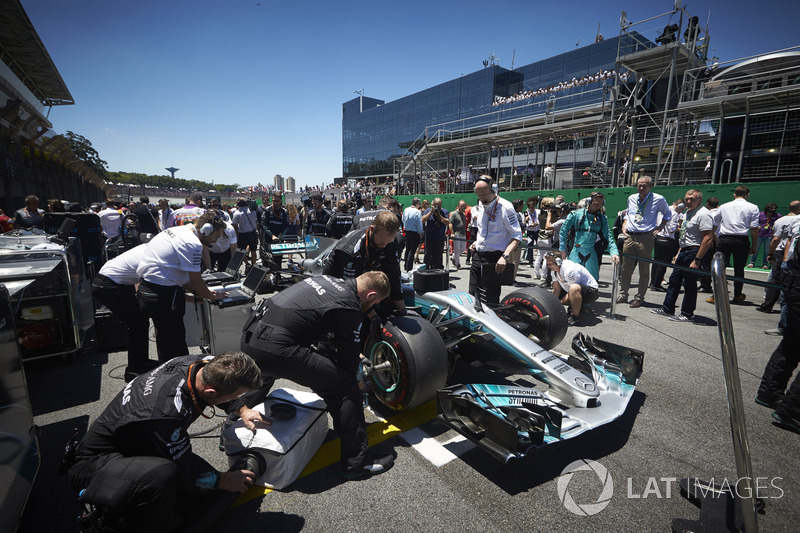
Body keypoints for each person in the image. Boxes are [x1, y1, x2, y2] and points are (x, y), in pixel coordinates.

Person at [69, 352, 263, 532]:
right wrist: (224, 480)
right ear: (210, 392)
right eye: (235, 396)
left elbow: (222, 385)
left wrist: (242, 409)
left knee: (191, 490)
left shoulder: (202, 364)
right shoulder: (165, 412)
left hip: (138, 440)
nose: (236, 399)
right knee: (163, 474)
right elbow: (184, 465)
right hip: (94, 466)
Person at [238, 272, 394, 478]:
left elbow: (317, 324)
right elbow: (348, 361)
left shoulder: (326, 279)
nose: (372, 308)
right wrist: (358, 379)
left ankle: (233, 423)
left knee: (264, 373)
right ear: (371, 294)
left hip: (251, 338)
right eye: (376, 302)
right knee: (344, 388)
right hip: (275, 348)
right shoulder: (350, 306)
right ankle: (357, 463)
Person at [136, 212, 228, 362]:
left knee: (172, 337)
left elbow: (185, 280)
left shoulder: (177, 230)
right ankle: (173, 376)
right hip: (164, 294)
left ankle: (181, 370)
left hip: (152, 289)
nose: (215, 241)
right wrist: (212, 296)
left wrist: (200, 293)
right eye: (216, 236)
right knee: (172, 341)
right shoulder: (192, 243)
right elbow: (196, 282)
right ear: (207, 230)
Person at [92, 244, 158, 381]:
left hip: (114, 282)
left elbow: (136, 278)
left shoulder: (148, 248)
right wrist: (141, 301)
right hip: (108, 285)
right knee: (138, 323)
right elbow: (143, 281)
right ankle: (133, 370)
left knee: (141, 322)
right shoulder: (151, 253)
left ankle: (141, 361)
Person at [323, 211, 405, 317]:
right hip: (336, 284)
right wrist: (374, 317)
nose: (384, 246)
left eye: (387, 242)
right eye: (381, 243)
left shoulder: (389, 242)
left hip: (361, 272)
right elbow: (353, 291)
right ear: (372, 229)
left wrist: (403, 311)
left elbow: (394, 276)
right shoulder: (351, 249)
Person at [756, 237, 800, 433]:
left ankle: (770, 393)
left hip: (794, 281)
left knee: (792, 342)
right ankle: (791, 410)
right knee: (792, 341)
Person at [650, 190, 714, 322]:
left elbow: (708, 238)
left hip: (694, 252)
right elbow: (685, 234)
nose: (688, 201)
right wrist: (679, 252)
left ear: (699, 200)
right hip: (684, 251)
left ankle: (687, 313)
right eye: (687, 199)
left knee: (689, 283)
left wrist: (697, 259)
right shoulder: (687, 212)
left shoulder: (703, 214)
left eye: (692, 199)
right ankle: (668, 308)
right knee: (674, 280)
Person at [617, 176, 671, 308]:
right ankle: (623, 294)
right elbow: (628, 213)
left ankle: (639, 297)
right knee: (625, 269)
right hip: (630, 236)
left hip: (646, 237)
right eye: (639, 185)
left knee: (644, 270)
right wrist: (624, 224)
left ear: (650, 186)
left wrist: (660, 227)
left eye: (644, 186)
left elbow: (667, 214)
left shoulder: (658, 199)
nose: (641, 188)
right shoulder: (632, 198)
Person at [469, 176, 522, 304]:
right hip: (478, 255)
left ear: (493, 190)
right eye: (479, 194)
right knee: (472, 294)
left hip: (495, 258)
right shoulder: (480, 206)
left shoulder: (505, 207)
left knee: (490, 298)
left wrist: (505, 256)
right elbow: (483, 231)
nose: (481, 198)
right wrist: (477, 242)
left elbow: (517, 236)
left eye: (484, 194)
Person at [707, 186, 759, 304]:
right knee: (739, 269)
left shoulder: (724, 206)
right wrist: (754, 246)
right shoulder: (753, 207)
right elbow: (754, 229)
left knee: (720, 268)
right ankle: (737, 295)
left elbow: (714, 225)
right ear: (747, 195)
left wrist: (711, 239)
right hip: (741, 240)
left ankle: (716, 295)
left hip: (724, 239)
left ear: (734, 194)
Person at [559, 191, 620, 282]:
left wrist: (614, 252)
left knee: (592, 280)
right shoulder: (575, 215)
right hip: (576, 251)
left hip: (591, 252)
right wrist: (562, 249)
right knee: (572, 279)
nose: (598, 206)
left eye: (600, 203)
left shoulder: (601, 219)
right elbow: (563, 231)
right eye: (596, 203)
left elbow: (607, 236)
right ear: (589, 201)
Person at [757, 200, 800, 314]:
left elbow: (775, 239)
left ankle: (767, 305)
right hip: (793, 253)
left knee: (775, 279)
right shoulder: (797, 220)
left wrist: (770, 254)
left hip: (781, 252)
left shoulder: (780, 220)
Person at [544, 252, 599, 327]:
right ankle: (581, 308)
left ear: (558, 262)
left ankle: (575, 316)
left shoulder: (570, 270)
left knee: (574, 288)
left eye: (550, 264)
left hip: (591, 292)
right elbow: (556, 289)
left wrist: (559, 303)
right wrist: (549, 305)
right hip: (574, 291)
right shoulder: (554, 271)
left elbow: (572, 290)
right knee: (551, 297)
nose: (549, 266)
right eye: (547, 264)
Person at [650, 199, 685, 291]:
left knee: (656, 262)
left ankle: (653, 282)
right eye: (682, 209)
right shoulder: (674, 214)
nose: (682, 211)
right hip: (666, 239)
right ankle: (657, 284)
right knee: (663, 263)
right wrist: (680, 229)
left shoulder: (663, 211)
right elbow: (671, 229)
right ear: (680, 206)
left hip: (658, 237)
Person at [749, 203, 781, 269]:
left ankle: (765, 264)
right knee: (756, 249)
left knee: (767, 250)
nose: (773, 209)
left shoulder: (777, 216)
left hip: (769, 235)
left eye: (774, 208)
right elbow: (753, 222)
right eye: (771, 208)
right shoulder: (760, 214)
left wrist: (775, 228)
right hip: (759, 235)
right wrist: (757, 227)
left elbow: (782, 222)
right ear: (767, 208)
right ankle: (751, 263)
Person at [231, 198, 259, 270]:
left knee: (241, 251)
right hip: (252, 233)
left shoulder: (237, 213)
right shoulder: (252, 211)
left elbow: (235, 226)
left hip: (242, 234)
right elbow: (256, 222)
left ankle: (247, 263)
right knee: (253, 251)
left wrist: (238, 233)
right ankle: (253, 266)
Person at [421, 198, 449, 269]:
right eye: (436, 206)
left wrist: (439, 215)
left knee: (438, 256)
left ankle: (436, 269)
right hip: (429, 237)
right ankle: (426, 268)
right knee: (427, 254)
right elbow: (423, 220)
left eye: (439, 206)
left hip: (439, 237)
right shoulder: (428, 211)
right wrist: (431, 212)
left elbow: (447, 222)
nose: (437, 208)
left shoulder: (444, 211)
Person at [402, 198, 424, 272]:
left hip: (407, 231)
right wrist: (421, 232)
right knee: (412, 251)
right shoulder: (417, 212)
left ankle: (406, 265)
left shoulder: (406, 209)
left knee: (407, 249)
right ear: (417, 204)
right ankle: (409, 267)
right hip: (414, 233)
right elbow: (419, 224)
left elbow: (403, 219)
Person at [449, 200, 467, 269]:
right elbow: (450, 223)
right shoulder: (454, 214)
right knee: (457, 249)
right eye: (461, 206)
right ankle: (458, 264)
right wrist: (452, 233)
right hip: (456, 234)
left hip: (463, 234)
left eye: (464, 206)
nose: (462, 207)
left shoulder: (463, 214)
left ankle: (454, 257)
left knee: (462, 249)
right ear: (458, 206)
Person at [523, 196, 540, 266]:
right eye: (531, 205)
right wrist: (530, 225)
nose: (533, 207)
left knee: (539, 245)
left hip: (537, 230)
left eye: (534, 205)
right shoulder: (525, 213)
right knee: (530, 246)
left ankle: (540, 261)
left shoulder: (537, 211)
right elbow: (525, 222)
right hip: (530, 231)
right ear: (528, 206)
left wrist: (537, 224)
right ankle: (530, 261)